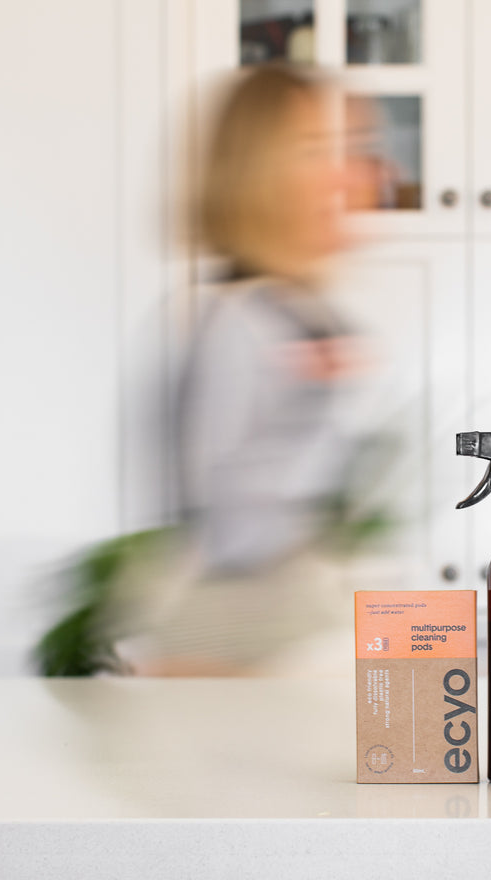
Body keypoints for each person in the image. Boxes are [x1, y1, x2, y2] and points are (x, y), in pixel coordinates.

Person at [116, 65, 371, 676]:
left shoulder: (296, 312)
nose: (351, 174)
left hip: (267, 632)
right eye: (316, 151)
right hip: (230, 640)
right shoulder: (237, 321)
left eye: (353, 150)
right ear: (260, 175)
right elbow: (220, 515)